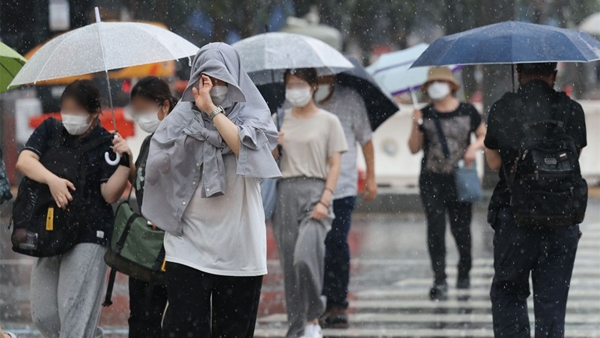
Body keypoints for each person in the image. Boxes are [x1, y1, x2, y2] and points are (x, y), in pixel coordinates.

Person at [142, 43, 280, 338]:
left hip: (240, 249)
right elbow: (158, 170)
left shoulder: (255, 115)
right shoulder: (180, 118)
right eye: (206, 79)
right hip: (188, 246)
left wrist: (213, 112)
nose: (213, 86)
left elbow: (248, 152)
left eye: (221, 79)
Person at [16, 79, 131, 338]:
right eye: (65, 108)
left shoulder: (107, 143)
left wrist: (124, 161)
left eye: (76, 111)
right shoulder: (51, 129)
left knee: (74, 312)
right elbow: (24, 161)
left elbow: (109, 194)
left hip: (90, 233)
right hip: (51, 229)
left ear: (93, 113)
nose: (69, 116)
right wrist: (52, 180)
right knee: (44, 314)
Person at [485, 63, 586, 338]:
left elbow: (494, 163)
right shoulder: (573, 110)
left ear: (518, 73)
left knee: (509, 292)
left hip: (516, 215)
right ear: (554, 75)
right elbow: (573, 160)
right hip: (562, 219)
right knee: (552, 301)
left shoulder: (503, 108)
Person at [273, 68, 348, 338]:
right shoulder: (278, 119)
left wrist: (326, 198)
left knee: (305, 258)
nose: (295, 89)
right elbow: (265, 163)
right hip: (285, 192)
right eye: (290, 85)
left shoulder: (329, 121)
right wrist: (274, 146)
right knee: (290, 268)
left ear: (314, 86)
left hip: (316, 191)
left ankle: (314, 312)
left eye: (300, 84)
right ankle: (296, 329)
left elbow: (335, 162)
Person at [407, 66, 486, 301]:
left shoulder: (468, 111)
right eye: (431, 84)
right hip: (432, 179)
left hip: (460, 179)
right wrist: (415, 125)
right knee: (435, 229)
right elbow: (413, 148)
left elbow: (484, 135)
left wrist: (473, 148)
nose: (436, 87)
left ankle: (464, 271)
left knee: (462, 230)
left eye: (440, 82)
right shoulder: (424, 113)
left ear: (451, 85)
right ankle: (439, 278)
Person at [314, 75, 377, 328]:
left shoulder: (351, 100)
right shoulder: (296, 101)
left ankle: (337, 302)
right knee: (311, 247)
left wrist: (371, 176)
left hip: (342, 187)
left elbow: (366, 139)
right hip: (309, 187)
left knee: (337, 242)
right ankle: (316, 301)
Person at [125, 76, 175, 338]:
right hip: (147, 243)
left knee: (170, 316)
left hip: (172, 243)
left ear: (164, 106)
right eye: (137, 110)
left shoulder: (178, 139)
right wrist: (130, 163)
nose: (141, 116)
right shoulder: (148, 141)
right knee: (142, 315)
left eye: (145, 109)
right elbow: (144, 183)